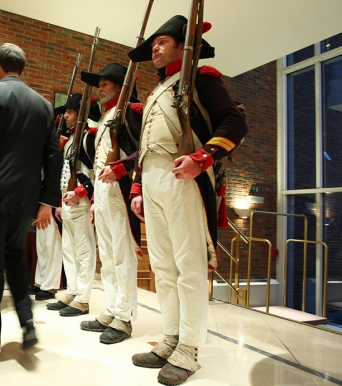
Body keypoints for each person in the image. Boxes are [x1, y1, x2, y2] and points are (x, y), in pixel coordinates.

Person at [126, 15, 248, 385]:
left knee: (189, 268)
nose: (155, 49)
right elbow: (143, 148)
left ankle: (189, 348)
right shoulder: (155, 92)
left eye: (163, 42)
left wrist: (203, 157)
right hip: (154, 181)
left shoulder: (200, 79)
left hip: (185, 180)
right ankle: (171, 338)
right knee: (163, 268)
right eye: (154, 44)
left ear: (183, 45)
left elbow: (235, 123)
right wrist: (137, 188)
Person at [0, 43, 62, 358]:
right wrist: (47, 200)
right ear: (22, 68)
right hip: (27, 196)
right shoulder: (44, 105)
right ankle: (27, 323)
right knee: (15, 256)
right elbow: (53, 155)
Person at [78, 63, 143, 344]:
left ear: (118, 85)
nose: (99, 89)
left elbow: (144, 149)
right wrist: (93, 199)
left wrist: (121, 168)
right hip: (103, 194)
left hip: (120, 191)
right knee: (106, 255)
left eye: (104, 84)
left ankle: (124, 317)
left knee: (121, 255)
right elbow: (96, 164)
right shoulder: (105, 117)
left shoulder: (130, 112)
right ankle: (113, 308)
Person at [47, 93, 98, 317]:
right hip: (67, 204)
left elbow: (93, 174)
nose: (65, 116)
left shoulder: (89, 138)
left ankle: (83, 298)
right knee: (69, 250)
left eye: (69, 112)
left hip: (82, 202)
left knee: (83, 251)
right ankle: (73, 290)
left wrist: (80, 193)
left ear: (81, 116)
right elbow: (66, 175)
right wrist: (60, 203)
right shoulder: (69, 143)